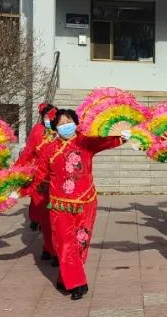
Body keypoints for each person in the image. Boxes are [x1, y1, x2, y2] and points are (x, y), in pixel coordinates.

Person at [28, 110, 127, 299]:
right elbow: (39, 174)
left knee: (81, 241)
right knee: (65, 244)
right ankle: (78, 284)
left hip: (86, 201)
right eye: (61, 123)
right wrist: (19, 188)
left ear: (76, 123)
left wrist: (121, 137)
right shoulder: (48, 149)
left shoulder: (86, 142)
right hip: (59, 205)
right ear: (55, 127)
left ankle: (64, 279)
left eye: (69, 121)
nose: (65, 125)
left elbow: (105, 142)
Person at [18, 103, 57, 266]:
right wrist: (15, 174)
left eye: (52, 115)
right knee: (47, 219)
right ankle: (50, 249)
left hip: (60, 182)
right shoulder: (37, 131)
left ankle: (54, 249)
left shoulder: (61, 131)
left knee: (58, 219)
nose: (50, 118)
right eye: (47, 115)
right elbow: (27, 153)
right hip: (41, 180)